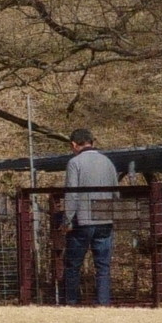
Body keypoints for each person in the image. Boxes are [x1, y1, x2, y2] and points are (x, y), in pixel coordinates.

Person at [61, 128, 119, 307]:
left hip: (83, 221)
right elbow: (116, 191)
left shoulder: (74, 162)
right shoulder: (108, 162)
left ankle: (72, 301)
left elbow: (72, 194)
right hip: (105, 219)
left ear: (74, 145)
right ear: (92, 142)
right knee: (103, 266)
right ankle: (103, 303)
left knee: (73, 264)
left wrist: (67, 219)